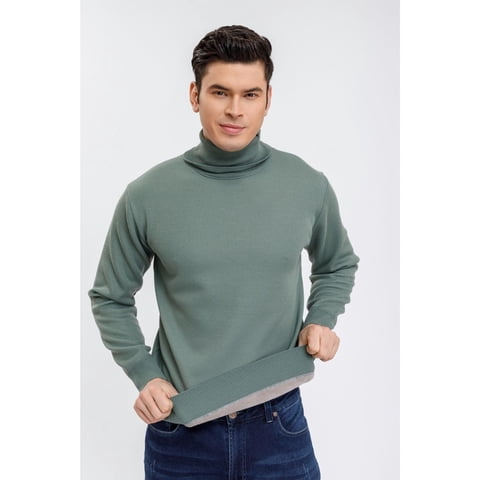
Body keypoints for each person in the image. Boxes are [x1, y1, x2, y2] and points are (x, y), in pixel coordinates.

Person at [89, 25, 359, 480]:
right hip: (182, 430)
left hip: (279, 424)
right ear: (195, 96)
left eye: (250, 94)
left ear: (267, 100)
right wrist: (144, 373)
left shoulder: (306, 184)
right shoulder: (147, 195)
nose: (235, 109)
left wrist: (322, 318)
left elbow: (337, 264)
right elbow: (109, 296)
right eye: (220, 92)